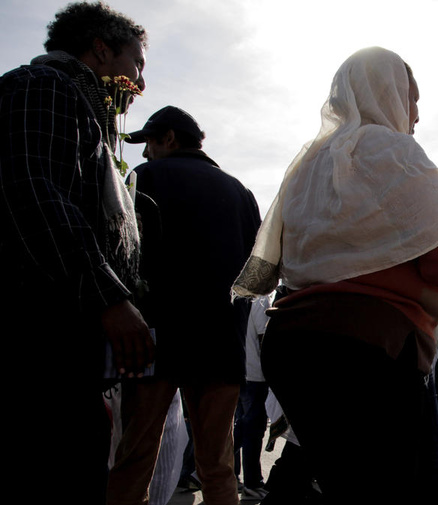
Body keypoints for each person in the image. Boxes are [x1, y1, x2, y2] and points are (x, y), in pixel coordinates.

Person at [233, 47, 438, 505]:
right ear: (384, 92)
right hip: (368, 348)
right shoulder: (390, 150)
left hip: (293, 345)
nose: (417, 115)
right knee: (405, 488)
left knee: (327, 476)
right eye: (411, 98)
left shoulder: (308, 164)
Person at [0, 2, 152, 500]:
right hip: (35, 335)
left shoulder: (83, 109)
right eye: (137, 65)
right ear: (101, 50)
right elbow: (35, 192)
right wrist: (110, 297)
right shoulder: (45, 87)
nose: (140, 84)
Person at [106, 105, 261, 505]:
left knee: (134, 461)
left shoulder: (147, 178)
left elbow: (123, 255)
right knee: (218, 466)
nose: (144, 154)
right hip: (220, 345)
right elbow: (255, 273)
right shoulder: (240, 191)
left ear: (170, 139)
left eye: (149, 143)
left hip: (155, 342)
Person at [234, 295, 272, 499]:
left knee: (241, 426)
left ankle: (231, 476)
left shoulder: (241, 297)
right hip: (256, 376)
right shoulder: (261, 300)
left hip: (241, 372)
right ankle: (253, 482)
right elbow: (265, 339)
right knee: (252, 430)